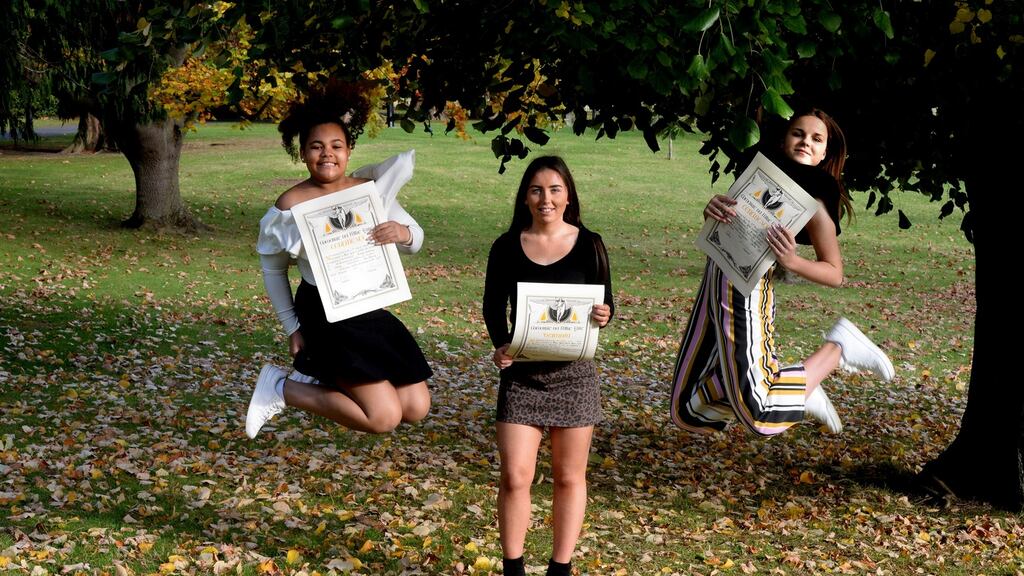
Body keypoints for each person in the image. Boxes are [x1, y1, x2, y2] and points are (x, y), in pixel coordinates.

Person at [670, 109, 895, 436]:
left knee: (762, 414)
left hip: (747, 287)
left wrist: (792, 262)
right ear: (784, 139)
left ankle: (838, 349)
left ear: (824, 154)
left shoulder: (817, 194)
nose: (806, 141)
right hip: (716, 275)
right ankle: (798, 385)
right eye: (798, 133)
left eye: (816, 139)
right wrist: (713, 209)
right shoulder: (761, 172)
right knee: (687, 410)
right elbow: (731, 222)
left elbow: (835, 272)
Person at [245, 84, 432, 439]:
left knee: (416, 407)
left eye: (336, 146)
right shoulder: (289, 206)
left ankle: (318, 377)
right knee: (384, 417)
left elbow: (416, 239)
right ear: (302, 152)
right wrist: (292, 328)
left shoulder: (369, 192)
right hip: (325, 314)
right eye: (316, 146)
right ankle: (282, 388)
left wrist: (402, 233)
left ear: (349, 150)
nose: (326, 154)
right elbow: (272, 269)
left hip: (368, 306)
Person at [482, 156, 614, 576]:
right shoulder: (505, 246)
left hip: (574, 377)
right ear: (525, 197)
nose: (546, 199)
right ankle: (514, 568)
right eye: (537, 190)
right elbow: (491, 308)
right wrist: (501, 344)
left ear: (568, 195)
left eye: (555, 190)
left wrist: (604, 315)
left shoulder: (590, 243)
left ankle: (560, 569)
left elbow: (607, 303)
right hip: (522, 377)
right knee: (516, 477)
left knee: (568, 478)